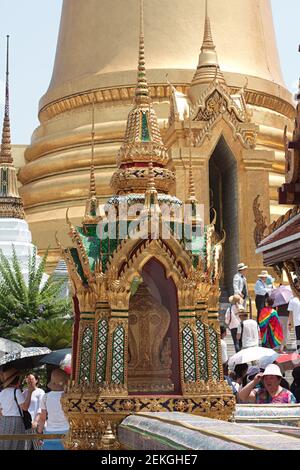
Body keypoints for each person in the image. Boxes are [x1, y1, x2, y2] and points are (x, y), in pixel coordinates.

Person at [37, 368, 69, 450]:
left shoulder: (46, 397)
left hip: (50, 433)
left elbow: (42, 419)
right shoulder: (69, 397)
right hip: (67, 432)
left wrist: (39, 434)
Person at [0, 368, 26, 450]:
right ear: (17, 380)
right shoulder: (16, 391)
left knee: (5, 444)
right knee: (17, 444)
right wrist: (31, 392)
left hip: (4, 420)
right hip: (16, 420)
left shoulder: (2, 392)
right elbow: (25, 407)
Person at [22, 373, 45, 450]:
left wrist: (35, 421)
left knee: (38, 447)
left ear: (36, 380)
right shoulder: (24, 392)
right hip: (27, 424)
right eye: (28, 379)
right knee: (26, 447)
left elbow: (41, 408)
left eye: (31, 379)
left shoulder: (40, 392)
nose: (29, 381)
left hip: (37, 424)